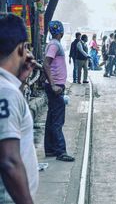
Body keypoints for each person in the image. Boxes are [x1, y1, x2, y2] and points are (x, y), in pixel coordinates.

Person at [0, 13, 39, 204]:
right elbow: (9, 161)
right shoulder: (7, 92)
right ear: (21, 48)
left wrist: (20, 79)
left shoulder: (7, 88)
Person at [43, 20, 75, 162]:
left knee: (51, 118)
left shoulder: (53, 44)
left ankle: (50, 149)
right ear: (61, 32)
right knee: (57, 120)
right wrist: (53, 84)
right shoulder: (55, 45)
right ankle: (61, 151)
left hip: (54, 85)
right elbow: (46, 63)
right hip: (55, 87)